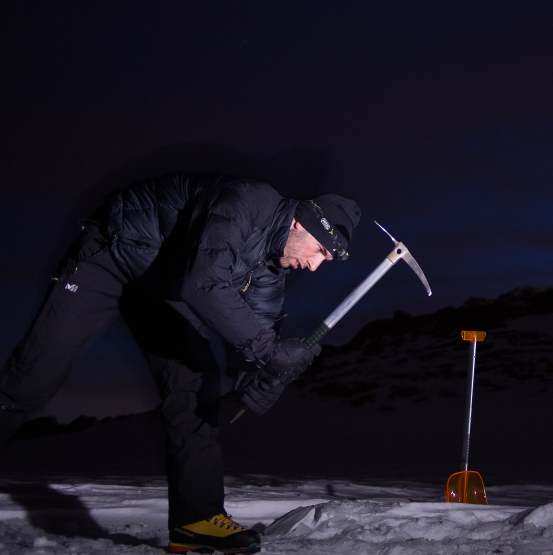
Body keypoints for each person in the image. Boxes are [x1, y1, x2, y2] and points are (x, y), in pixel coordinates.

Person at [0, 173, 361, 554]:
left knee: (196, 387)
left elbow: (251, 346)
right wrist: (271, 351)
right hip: (113, 253)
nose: (317, 265)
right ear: (300, 223)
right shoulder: (248, 200)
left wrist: (270, 376)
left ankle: (196, 519)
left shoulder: (271, 272)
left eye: (328, 259)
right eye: (321, 251)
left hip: (163, 287)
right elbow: (204, 282)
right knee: (34, 376)